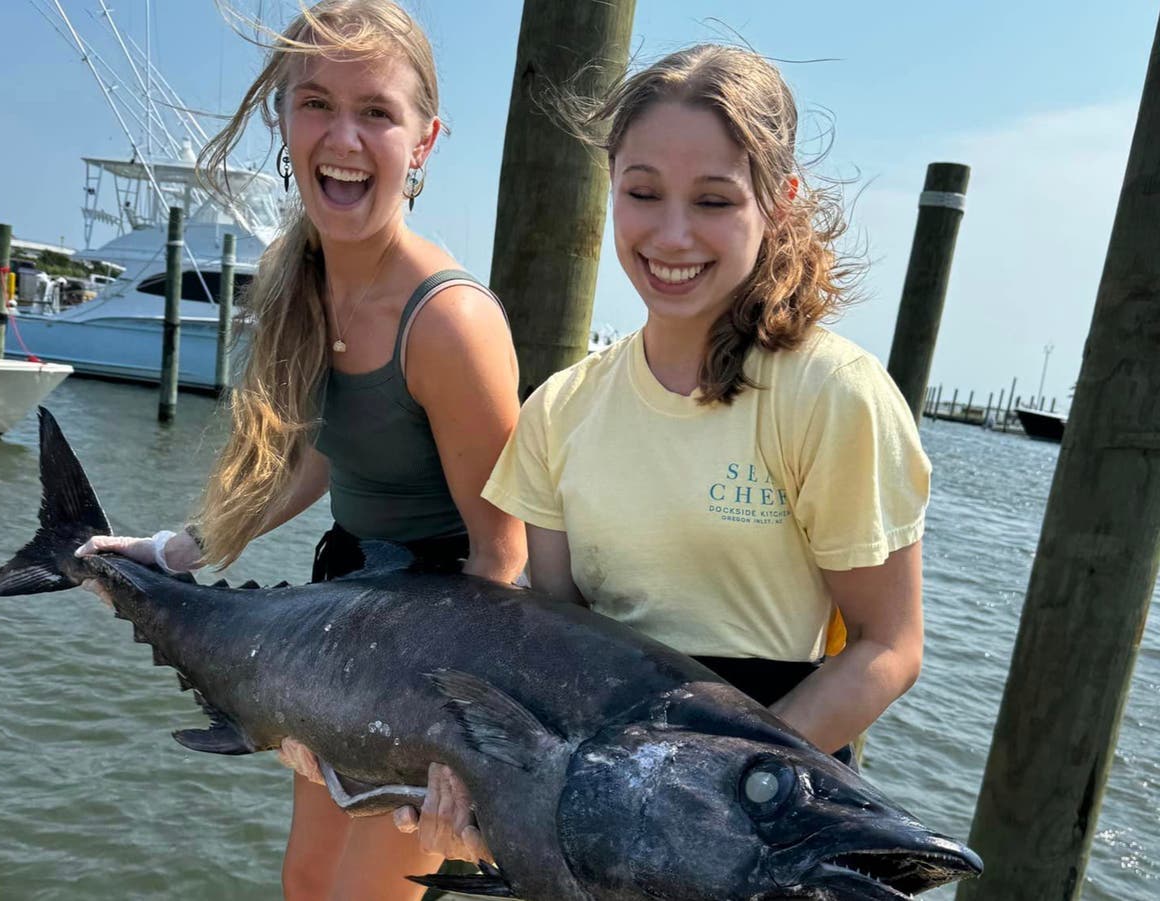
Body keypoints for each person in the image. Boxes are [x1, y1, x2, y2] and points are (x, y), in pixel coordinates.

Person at [76, 2, 523, 898]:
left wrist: (463, 751)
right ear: (283, 119)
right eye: (315, 102)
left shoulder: (449, 322)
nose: (343, 135)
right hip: (341, 617)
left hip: (427, 654)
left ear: (425, 142)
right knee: (307, 882)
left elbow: (504, 558)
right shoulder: (298, 280)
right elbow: (315, 455)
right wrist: (180, 547)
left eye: (377, 111)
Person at [480, 43, 930, 768]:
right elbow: (556, 646)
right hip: (601, 775)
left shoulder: (833, 394)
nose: (672, 235)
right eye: (643, 192)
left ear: (778, 203)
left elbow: (889, 645)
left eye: (714, 200)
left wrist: (720, 775)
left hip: (766, 789)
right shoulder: (558, 410)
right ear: (610, 185)